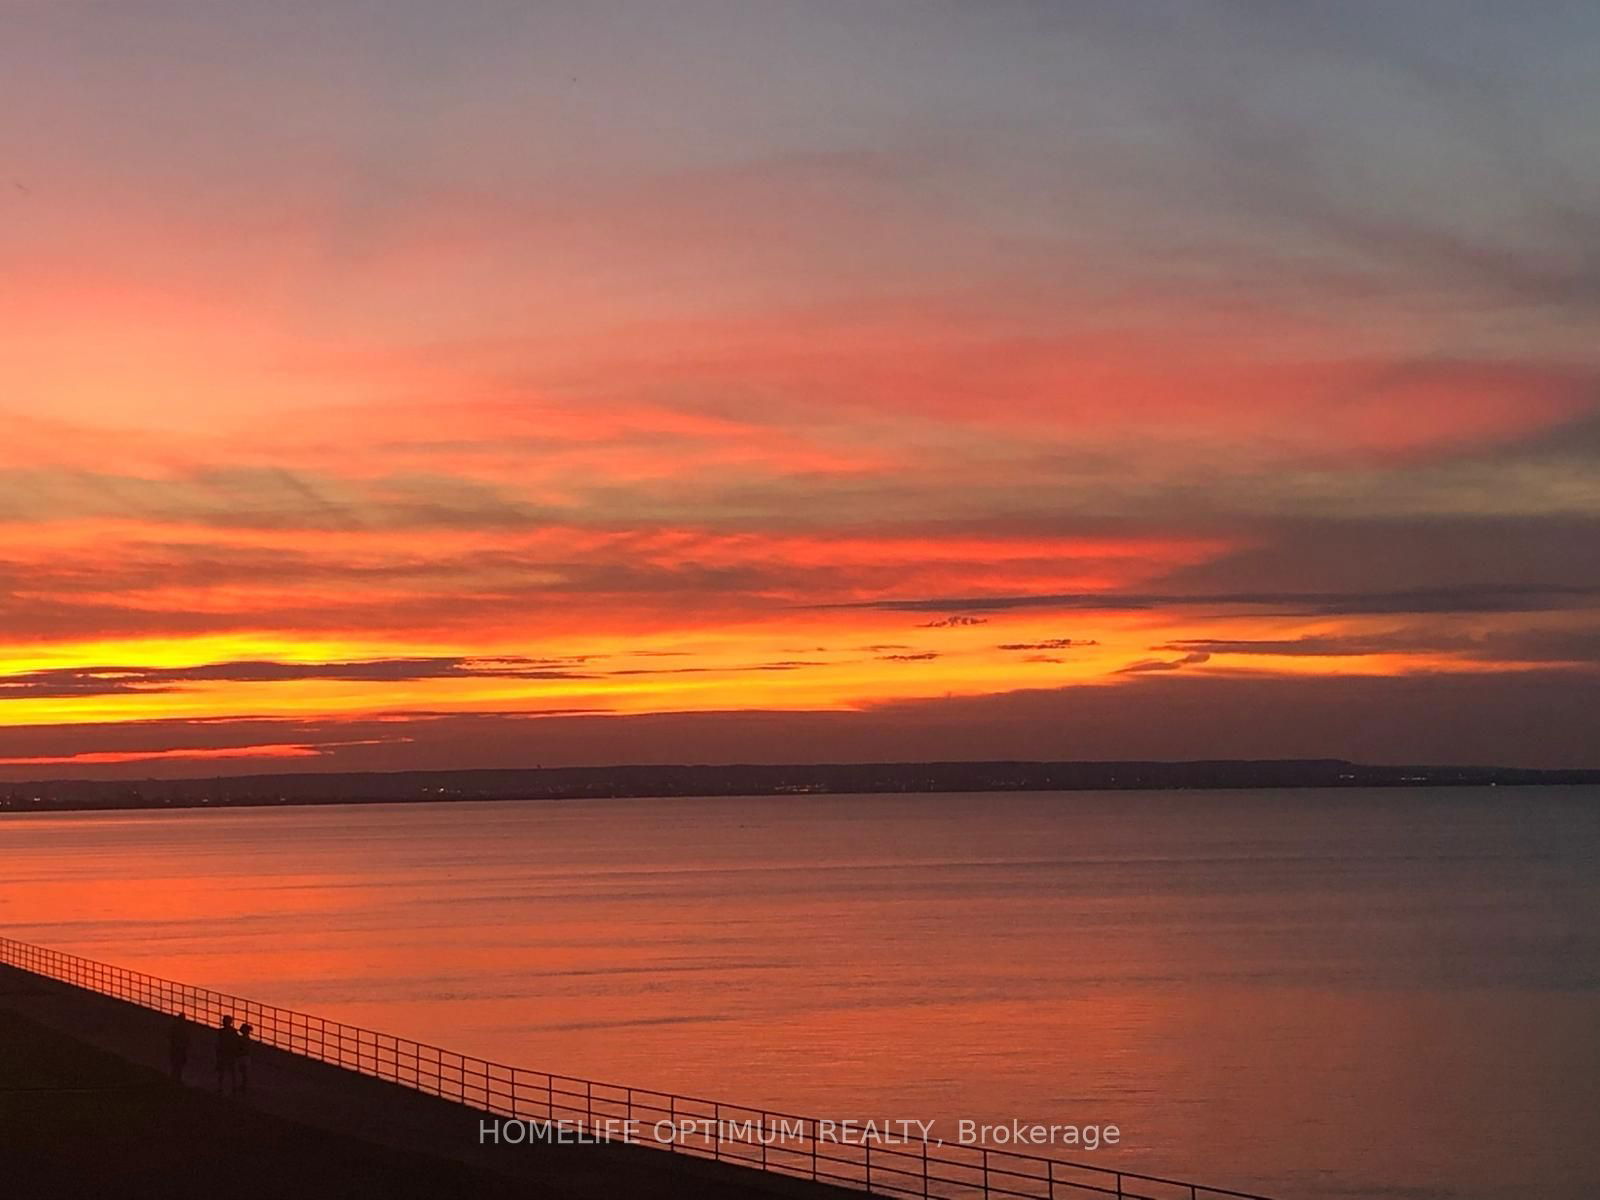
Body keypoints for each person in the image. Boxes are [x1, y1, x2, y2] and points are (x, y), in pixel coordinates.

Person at [167, 1012, 191, 1083]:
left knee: (175, 1065)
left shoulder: (175, 1027)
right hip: (180, 1049)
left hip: (176, 1049)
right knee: (178, 1066)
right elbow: (187, 1040)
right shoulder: (184, 1029)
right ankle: (177, 1079)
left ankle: (174, 1079)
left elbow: (170, 1037)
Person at [215, 1015, 237, 1092]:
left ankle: (223, 1087)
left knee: (227, 1071)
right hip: (227, 1053)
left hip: (226, 1053)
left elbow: (218, 1042)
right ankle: (231, 1087)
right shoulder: (233, 1031)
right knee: (228, 1071)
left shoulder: (222, 1032)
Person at [235, 1022, 253, 1093]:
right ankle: (244, 1086)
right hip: (245, 1057)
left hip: (243, 1057)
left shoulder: (243, 1039)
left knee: (243, 1072)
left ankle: (244, 1086)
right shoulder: (247, 1038)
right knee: (244, 1072)